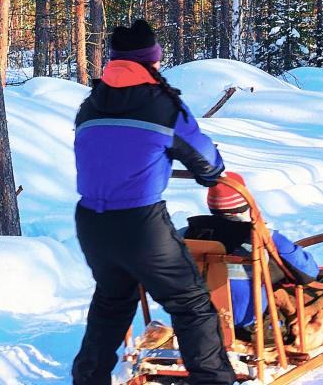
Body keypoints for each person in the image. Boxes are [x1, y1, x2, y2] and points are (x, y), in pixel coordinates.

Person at [71, 20, 236, 385]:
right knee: (190, 303)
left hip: (91, 223)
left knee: (112, 302)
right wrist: (212, 174)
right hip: (140, 224)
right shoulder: (162, 105)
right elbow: (205, 161)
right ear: (152, 61)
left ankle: (88, 379)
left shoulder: (91, 104)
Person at [181, 172, 320, 334]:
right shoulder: (262, 235)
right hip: (253, 325)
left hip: (197, 322)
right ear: (246, 203)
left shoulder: (184, 236)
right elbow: (309, 272)